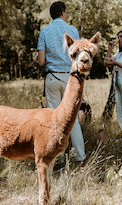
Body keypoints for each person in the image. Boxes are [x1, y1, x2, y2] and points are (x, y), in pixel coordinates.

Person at [37, 1, 86, 162]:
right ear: (63, 13)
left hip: (52, 78)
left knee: (54, 120)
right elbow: (80, 58)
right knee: (73, 121)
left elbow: (41, 62)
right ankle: (80, 157)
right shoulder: (72, 31)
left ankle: (58, 157)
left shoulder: (44, 32)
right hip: (70, 79)